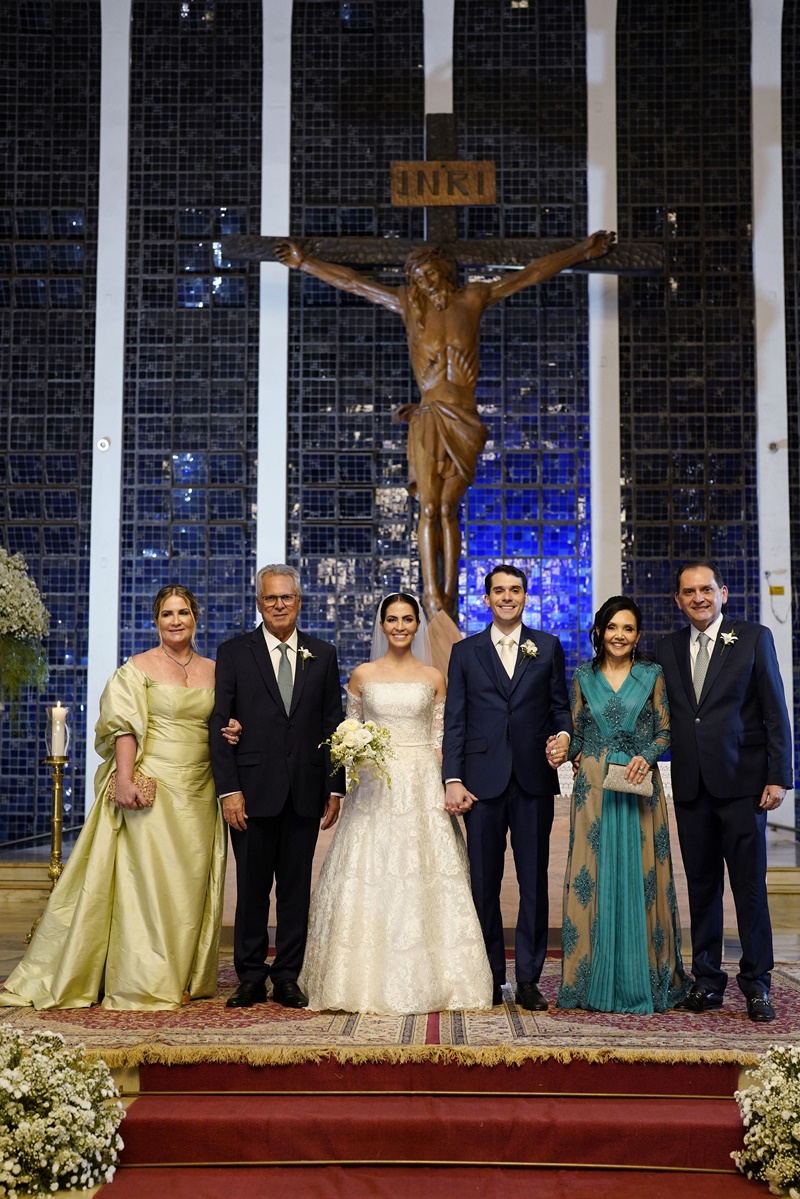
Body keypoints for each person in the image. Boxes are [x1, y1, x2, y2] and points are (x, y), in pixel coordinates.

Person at [275, 233, 614, 618]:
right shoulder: (408, 305)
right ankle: (432, 594)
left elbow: (530, 274)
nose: (427, 282)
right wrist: (305, 263)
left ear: (445, 270)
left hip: (465, 419)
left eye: (431, 272)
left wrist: (583, 251)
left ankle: (449, 596)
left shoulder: (473, 298)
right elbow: (356, 284)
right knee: (430, 509)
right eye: (419, 277)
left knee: (450, 507)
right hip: (430, 417)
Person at [0, 585, 236, 1010]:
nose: (176, 620)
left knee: (189, 885)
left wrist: (233, 730)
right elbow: (123, 726)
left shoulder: (217, 671)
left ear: (196, 618)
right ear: (156, 620)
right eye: (167, 613)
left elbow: (223, 721)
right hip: (153, 787)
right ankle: (144, 977)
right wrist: (124, 779)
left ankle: (180, 973)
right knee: (149, 882)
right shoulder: (137, 668)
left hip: (202, 790)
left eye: (183, 612)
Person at [298, 593, 493, 1014]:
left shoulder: (434, 676)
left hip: (422, 778)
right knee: (371, 871)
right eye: (392, 619)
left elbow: (444, 738)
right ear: (382, 625)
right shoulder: (362, 675)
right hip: (374, 783)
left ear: (417, 625)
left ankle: (441, 979)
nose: (400, 626)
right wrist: (353, 754)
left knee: (425, 871)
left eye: (408, 619)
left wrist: (448, 781)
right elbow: (347, 733)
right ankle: (359, 979)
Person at [656, 559, 793, 1023]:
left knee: (750, 888)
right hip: (692, 787)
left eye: (706, 590)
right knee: (702, 888)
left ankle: (757, 984)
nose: (699, 598)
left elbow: (775, 710)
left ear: (723, 592)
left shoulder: (753, 638)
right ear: (678, 600)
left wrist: (779, 775)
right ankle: (708, 981)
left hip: (743, 785)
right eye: (689, 592)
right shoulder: (667, 647)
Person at [209, 564, 345, 1010]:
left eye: (287, 597)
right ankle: (250, 976)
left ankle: (288, 974)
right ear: (258, 603)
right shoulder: (233, 653)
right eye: (271, 598)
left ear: (299, 601)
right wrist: (229, 790)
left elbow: (332, 725)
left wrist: (335, 787)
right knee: (250, 889)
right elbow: (219, 724)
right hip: (250, 790)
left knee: (293, 889)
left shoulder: (322, 654)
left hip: (305, 790)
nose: (280, 604)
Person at [441, 564, 571, 1009]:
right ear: (487, 599)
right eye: (499, 591)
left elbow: (560, 710)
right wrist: (452, 778)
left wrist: (565, 738)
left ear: (525, 596)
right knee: (484, 883)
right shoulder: (465, 651)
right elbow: (455, 720)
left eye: (515, 590)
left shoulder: (548, 647)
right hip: (480, 783)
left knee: (534, 881)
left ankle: (529, 979)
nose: (507, 597)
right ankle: (489, 975)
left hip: (534, 779)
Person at [557, 596, 690, 1013]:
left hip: (637, 785)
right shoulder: (581, 676)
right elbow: (577, 735)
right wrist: (563, 746)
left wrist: (646, 756)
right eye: (612, 627)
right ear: (599, 631)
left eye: (628, 629)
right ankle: (588, 980)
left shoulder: (652, 675)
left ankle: (643, 981)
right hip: (593, 789)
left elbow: (666, 732)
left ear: (637, 636)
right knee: (590, 877)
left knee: (642, 876)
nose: (619, 635)